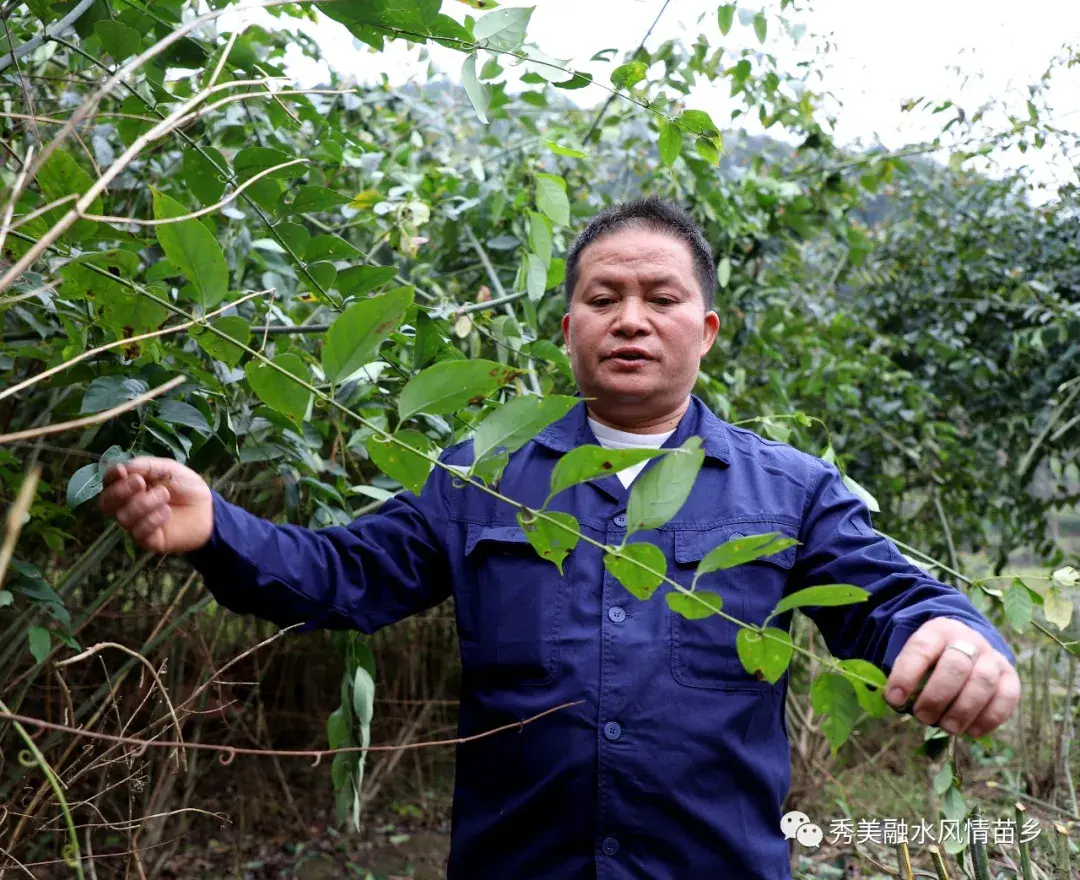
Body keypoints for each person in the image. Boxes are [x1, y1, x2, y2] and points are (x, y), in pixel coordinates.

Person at [100, 197, 1020, 880]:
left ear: (704, 332)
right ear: (568, 324)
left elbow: (891, 600)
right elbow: (344, 575)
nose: (630, 318)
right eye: (603, 297)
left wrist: (956, 636)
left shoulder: (792, 492)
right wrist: (220, 527)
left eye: (660, 298)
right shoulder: (481, 476)